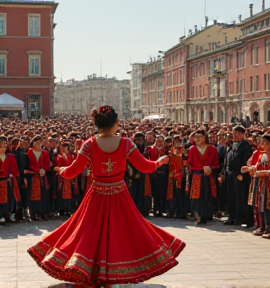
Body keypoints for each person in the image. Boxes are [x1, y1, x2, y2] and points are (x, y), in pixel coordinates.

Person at [27, 105, 185, 287]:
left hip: (96, 194)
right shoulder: (126, 143)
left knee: (89, 233)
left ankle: (91, 270)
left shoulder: (90, 144)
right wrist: (159, 162)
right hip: (119, 194)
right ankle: (117, 271)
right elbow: (146, 167)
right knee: (123, 232)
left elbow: (72, 172)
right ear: (116, 122)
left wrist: (62, 170)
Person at [188, 129, 219, 225]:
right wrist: (197, 169)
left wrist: (210, 169)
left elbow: (217, 164)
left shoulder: (212, 149)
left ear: (204, 137)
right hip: (197, 176)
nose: (197, 139)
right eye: (195, 137)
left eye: (199, 137)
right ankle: (199, 216)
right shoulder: (192, 149)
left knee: (208, 195)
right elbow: (190, 164)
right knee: (197, 197)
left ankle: (208, 214)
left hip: (208, 176)